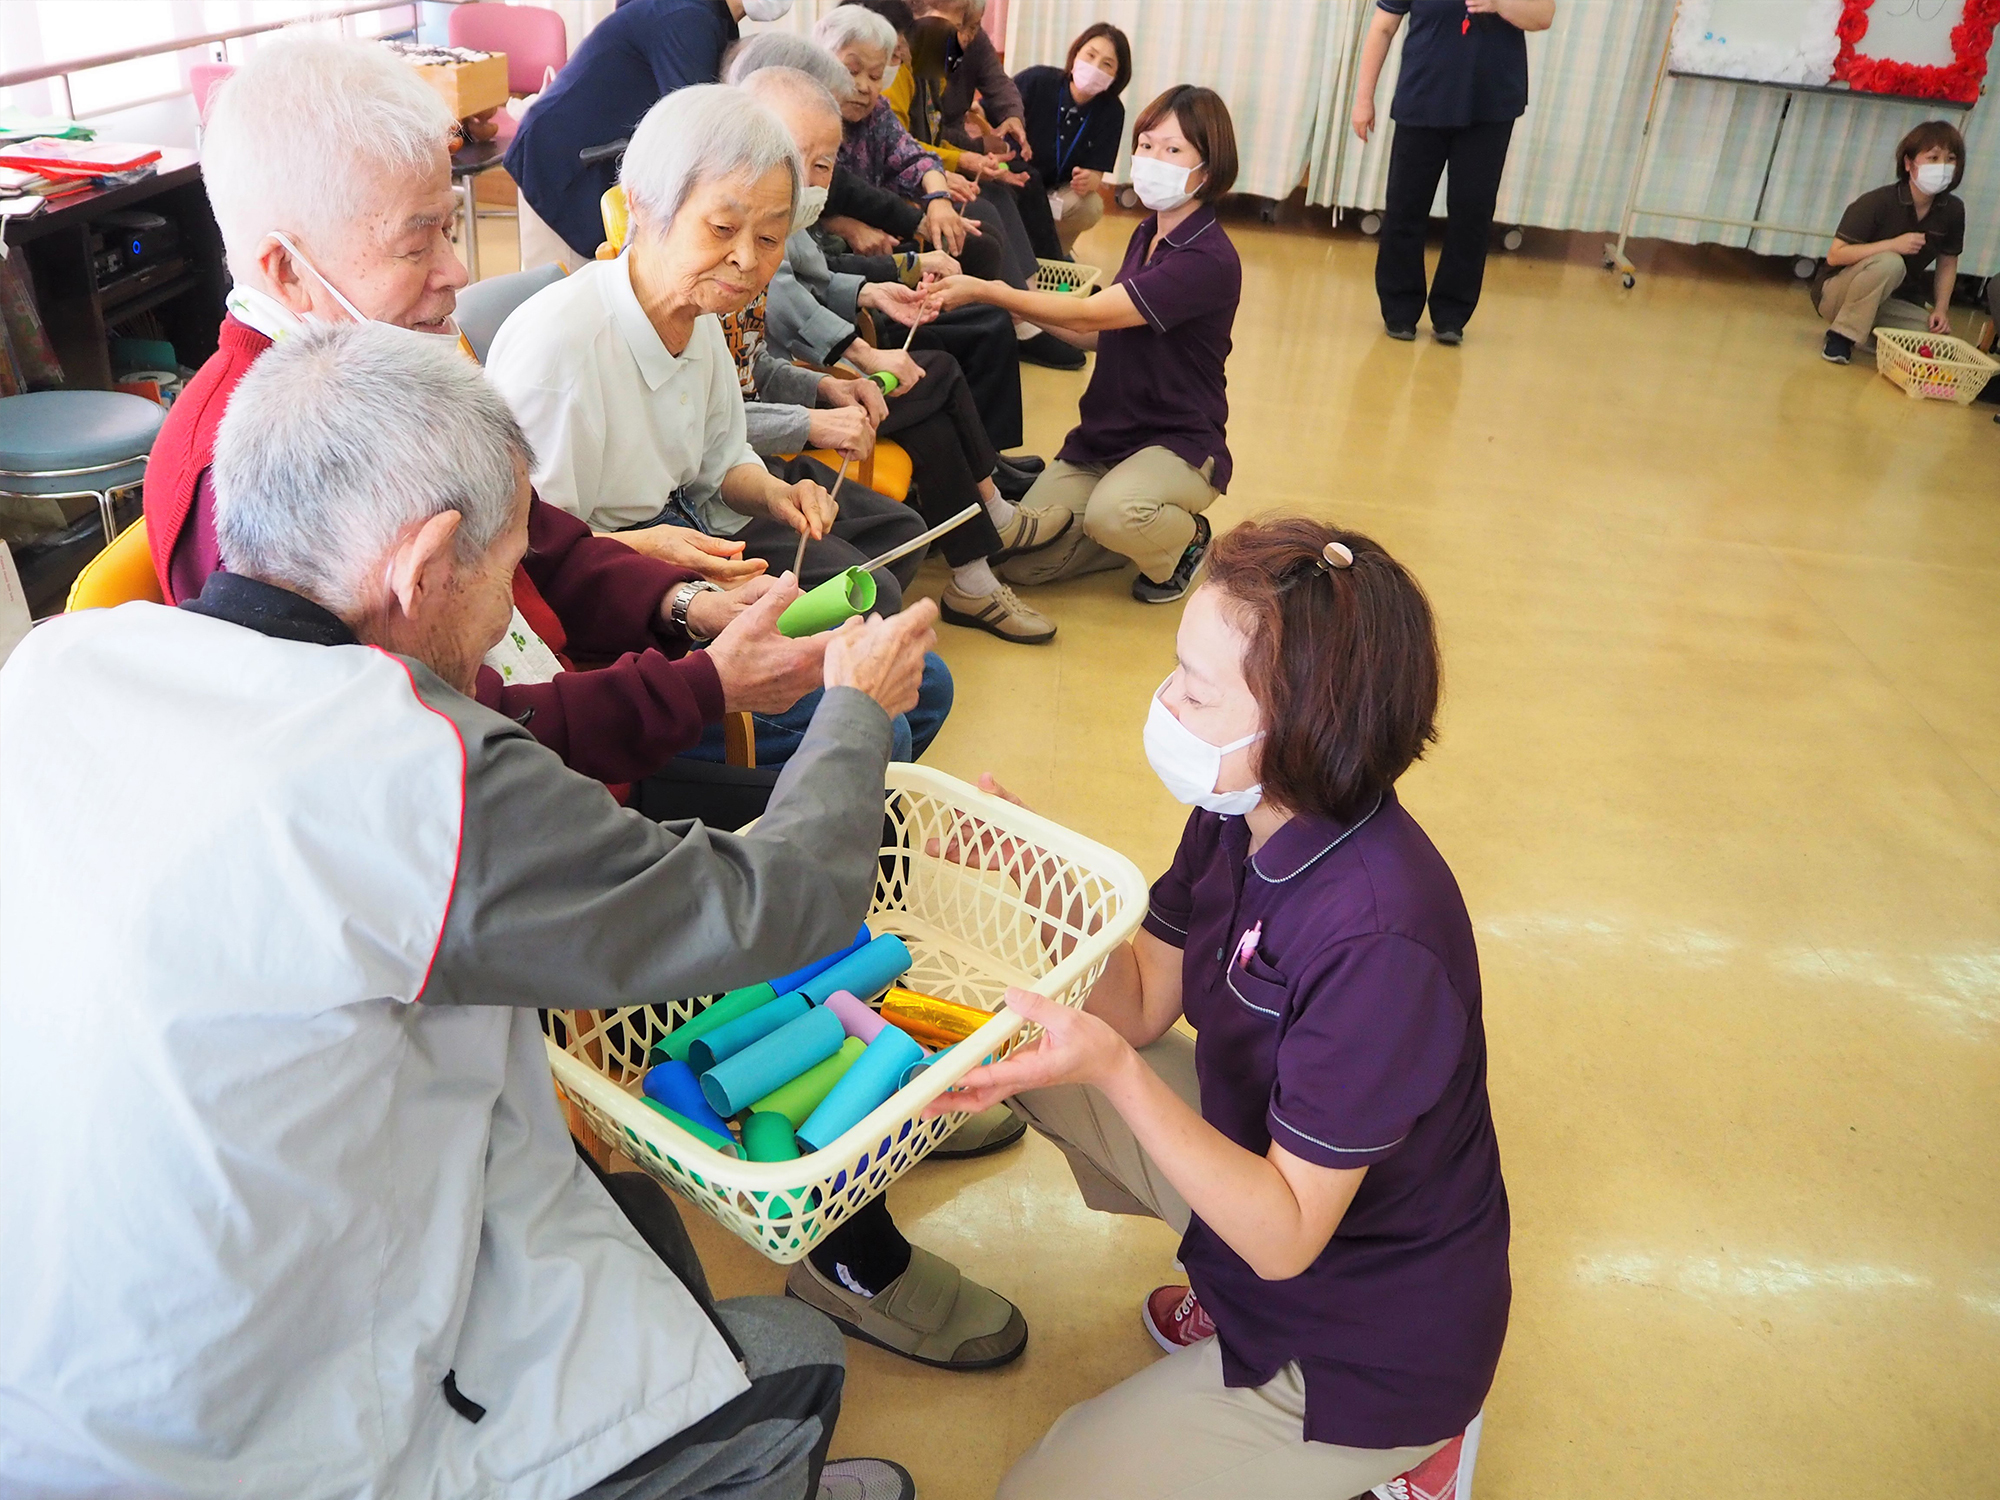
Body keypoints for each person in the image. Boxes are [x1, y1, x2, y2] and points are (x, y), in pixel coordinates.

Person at [0, 319, 929, 1500]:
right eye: (504, 573)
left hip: (46, 1368)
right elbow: (771, 909)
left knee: (623, 1230)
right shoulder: (413, 770)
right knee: (786, 1356)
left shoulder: (60, 667)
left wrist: (700, 668)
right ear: (424, 559)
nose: (509, 615)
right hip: (246, 1417)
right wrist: (854, 711)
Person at [923, 517, 1510, 1500]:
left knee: (1039, 1490)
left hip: (1365, 1339)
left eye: (1194, 689)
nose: (1163, 701)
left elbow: (1283, 1231)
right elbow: (1146, 999)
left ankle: (1413, 1449)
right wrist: (1036, 871)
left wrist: (1106, 1065)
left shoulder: (1379, 940)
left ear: (1297, 726)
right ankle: (1230, 1308)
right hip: (1286, 1213)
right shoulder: (1245, 812)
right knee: (1025, 1042)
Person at [149, 34, 826, 791]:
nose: (458, 270)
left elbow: (544, 541)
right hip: (515, 798)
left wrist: (685, 604)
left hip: (571, 728)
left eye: (449, 226)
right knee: (850, 798)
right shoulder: (249, 473)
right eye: (418, 244)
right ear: (286, 271)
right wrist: (705, 688)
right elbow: (438, 743)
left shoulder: (384, 371)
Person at [738, 64, 1070, 644]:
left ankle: (980, 540)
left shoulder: (772, 210)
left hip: (788, 387)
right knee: (933, 376)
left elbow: (809, 281)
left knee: (933, 386)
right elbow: (786, 302)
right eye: (805, 159)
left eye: (824, 163)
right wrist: (857, 357)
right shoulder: (737, 236)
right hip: (777, 410)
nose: (816, 177)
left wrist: (877, 289)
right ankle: (986, 517)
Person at [935, 85, 1242, 605]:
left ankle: (1185, 540)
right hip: (1106, 437)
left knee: (1114, 513)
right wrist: (1010, 305)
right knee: (1023, 563)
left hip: (1179, 442)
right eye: (1146, 145)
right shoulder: (1148, 232)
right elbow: (1095, 334)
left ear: (1206, 171)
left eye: (1173, 150)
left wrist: (990, 288)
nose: (1152, 159)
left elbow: (1090, 311)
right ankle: (1125, 529)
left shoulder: (1206, 258)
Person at [818, 6, 1083, 371]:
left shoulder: (876, 109)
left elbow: (913, 154)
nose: (864, 85)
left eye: (876, 74)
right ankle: (989, 331)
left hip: (884, 223)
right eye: (852, 71)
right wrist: (848, 225)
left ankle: (1009, 320)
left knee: (978, 233)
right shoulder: (812, 116)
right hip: (836, 250)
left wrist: (939, 197)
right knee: (977, 239)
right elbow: (809, 201)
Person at [507, 0, 795, 272]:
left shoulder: (708, 18)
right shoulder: (686, 17)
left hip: (584, 156)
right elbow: (699, 134)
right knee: (562, 298)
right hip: (562, 164)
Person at [1353, 0, 1557, 344]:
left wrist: (1498, 4)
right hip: (1422, 96)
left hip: (1491, 106)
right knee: (1405, 207)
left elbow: (1543, 16)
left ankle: (1451, 314)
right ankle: (1400, 309)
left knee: (1472, 213)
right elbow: (1382, 27)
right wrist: (1363, 99)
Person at [1813, 120, 1991, 365]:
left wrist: (1941, 309)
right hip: (1837, 293)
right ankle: (1841, 335)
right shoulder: (1877, 202)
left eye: (1950, 159)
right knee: (1890, 263)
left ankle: (1866, 335)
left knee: (1932, 342)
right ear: (1909, 163)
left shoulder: (1953, 209)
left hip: (1891, 300)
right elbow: (1835, 256)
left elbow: (1948, 262)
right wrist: (1891, 245)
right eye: (1933, 158)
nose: (1943, 166)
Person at [1014, 23, 1133, 258]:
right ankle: (1039, 254)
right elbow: (992, 111)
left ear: (1116, 76)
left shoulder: (1112, 111)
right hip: (1015, 182)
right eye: (1090, 55)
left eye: (1107, 64)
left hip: (1054, 195)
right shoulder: (1037, 80)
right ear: (1076, 53)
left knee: (1090, 206)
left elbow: (1097, 172)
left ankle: (1052, 255)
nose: (1095, 66)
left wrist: (1091, 179)